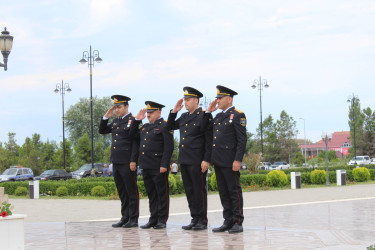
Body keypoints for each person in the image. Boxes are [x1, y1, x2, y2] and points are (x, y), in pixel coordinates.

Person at [166, 87, 212, 231]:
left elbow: (208, 140)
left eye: (188, 100)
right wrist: (174, 111)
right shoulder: (184, 116)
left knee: (199, 191)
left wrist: (206, 159)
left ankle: (202, 220)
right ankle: (194, 218)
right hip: (185, 159)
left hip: (197, 160)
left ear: (196, 100)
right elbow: (169, 126)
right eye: (184, 100)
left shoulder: (204, 115)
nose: (185, 102)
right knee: (190, 191)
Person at [204, 85, 247, 234]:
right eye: (217, 97)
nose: (217, 100)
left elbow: (242, 140)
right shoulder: (218, 116)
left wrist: (237, 160)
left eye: (220, 98)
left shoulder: (237, 115)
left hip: (230, 161)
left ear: (229, 99)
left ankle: (237, 221)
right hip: (218, 160)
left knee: (234, 191)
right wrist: (208, 111)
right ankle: (228, 220)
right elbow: (205, 129)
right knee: (223, 192)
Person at [99, 95, 140, 228]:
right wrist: (106, 117)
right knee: (122, 191)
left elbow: (135, 142)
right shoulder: (116, 121)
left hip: (127, 162)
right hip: (116, 161)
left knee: (131, 191)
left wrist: (133, 160)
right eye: (115, 107)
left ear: (126, 107)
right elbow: (102, 130)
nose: (117, 110)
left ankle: (133, 218)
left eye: (119, 107)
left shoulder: (133, 120)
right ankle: (125, 217)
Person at [132, 101, 174, 229]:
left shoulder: (165, 126)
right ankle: (153, 218)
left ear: (159, 112)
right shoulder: (145, 127)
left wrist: (164, 164)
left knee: (161, 194)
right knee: (151, 194)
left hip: (158, 166)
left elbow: (169, 147)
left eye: (151, 112)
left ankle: (162, 219)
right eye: (148, 112)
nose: (148, 115)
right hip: (146, 165)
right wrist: (137, 120)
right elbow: (132, 135)